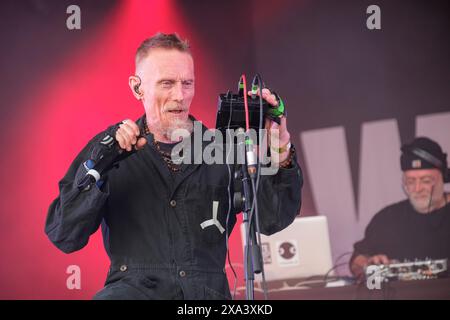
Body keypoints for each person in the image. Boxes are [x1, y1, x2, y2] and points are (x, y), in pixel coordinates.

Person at [45, 33, 303, 299]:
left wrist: (280, 147)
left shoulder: (223, 149)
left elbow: (272, 219)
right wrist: (100, 166)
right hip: (132, 292)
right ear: (137, 87)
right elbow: (64, 234)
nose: (179, 95)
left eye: (187, 83)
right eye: (167, 83)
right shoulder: (108, 148)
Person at [350, 137, 450, 279]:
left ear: (443, 178)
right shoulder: (386, 219)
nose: (417, 188)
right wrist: (369, 264)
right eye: (410, 181)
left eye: (426, 181)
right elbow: (356, 261)